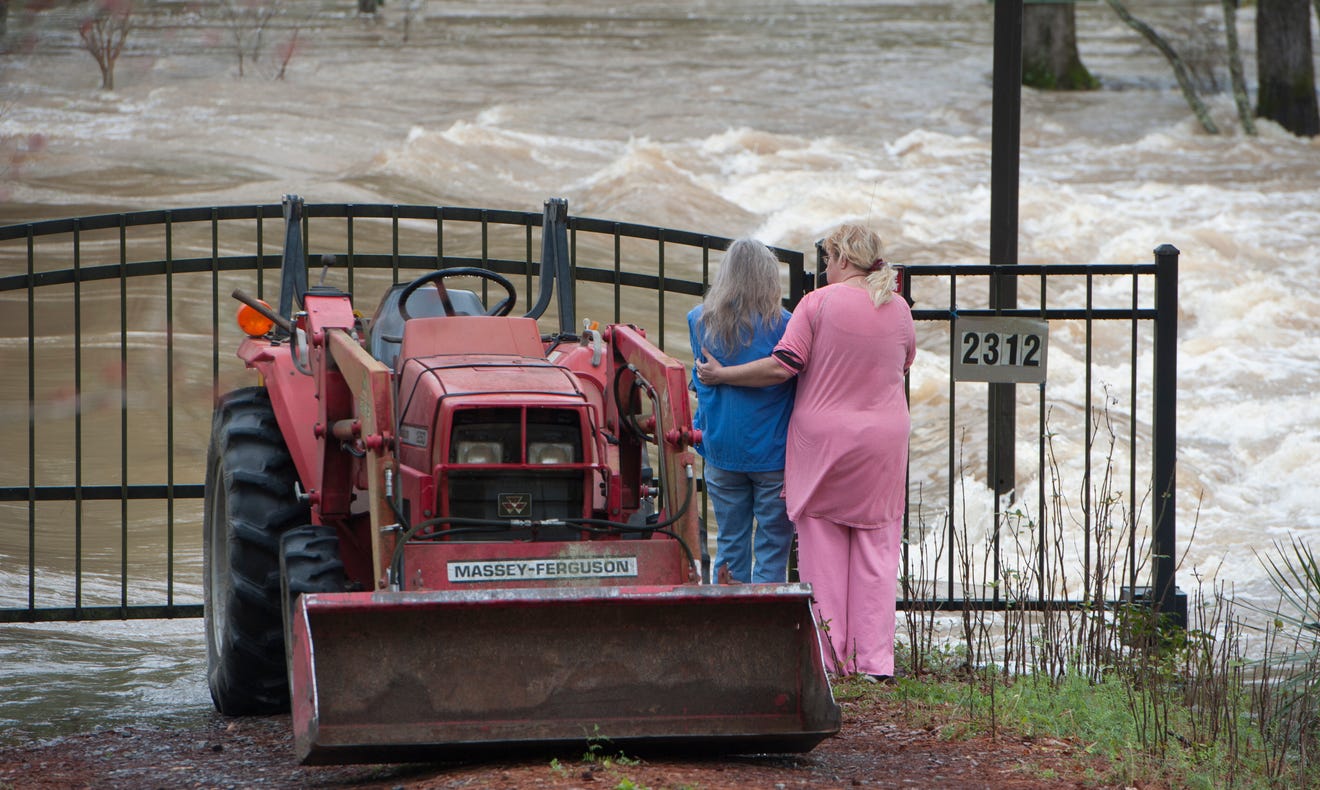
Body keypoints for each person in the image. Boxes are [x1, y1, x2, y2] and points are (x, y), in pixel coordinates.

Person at [695, 224, 915, 681]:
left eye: (827, 259)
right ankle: (875, 664)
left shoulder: (817, 304)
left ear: (840, 259)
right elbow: (905, 361)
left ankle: (830, 658)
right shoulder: (898, 309)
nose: (824, 268)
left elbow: (784, 364)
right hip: (883, 442)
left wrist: (724, 376)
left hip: (824, 443)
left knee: (824, 547)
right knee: (877, 548)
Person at [687, 238, 796, 584]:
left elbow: (702, 377)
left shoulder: (699, 321)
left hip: (721, 449)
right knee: (773, 547)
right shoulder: (786, 324)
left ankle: (731, 621)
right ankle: (766, 626)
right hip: (773, 453)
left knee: (730, 545)